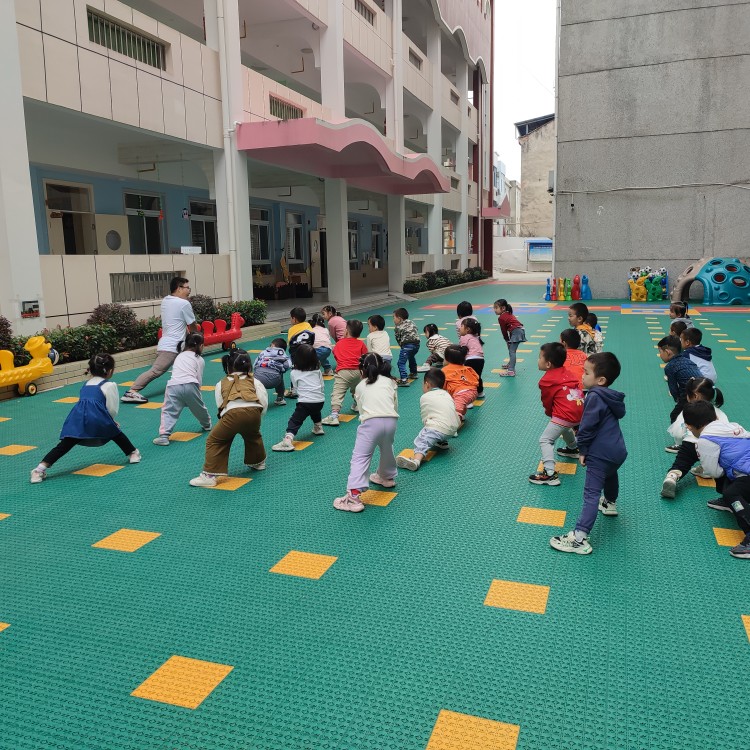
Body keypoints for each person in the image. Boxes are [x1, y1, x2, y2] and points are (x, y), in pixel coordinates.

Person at [550, 353, 627, 555]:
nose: (582, 376)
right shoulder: (610, 396)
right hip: (617, 450)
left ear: (600, 380)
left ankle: (579, 538)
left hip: (599, 453)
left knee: (591, 494)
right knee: (610, 474)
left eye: (586, 372)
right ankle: (610, 503)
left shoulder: (594, 396)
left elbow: (587, 426)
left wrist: (582, 449)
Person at [31, 354, 141, 482]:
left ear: (91, 370)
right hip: (98, 417)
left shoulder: (86, 384)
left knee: (66, 443)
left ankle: (39, 469)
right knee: (116, 434)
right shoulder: (109, 385)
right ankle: (133, 453)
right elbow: (112, 408)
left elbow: (84, 403)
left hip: (78, 418)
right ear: (110, 371)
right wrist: (110, 420)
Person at [190, 349, 267, 487]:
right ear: (249, 365)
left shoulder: (221, 383)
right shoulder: (254, 381)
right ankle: (258, 462)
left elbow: (220, 404)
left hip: (232, 414)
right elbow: (263, 399)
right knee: (253, 435)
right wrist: (258, 416)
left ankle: (209, 476)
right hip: (254, 412)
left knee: (215, 440)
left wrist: (226, 420)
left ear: (228, 365)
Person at [684, 400, 750, 559]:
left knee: (731, 492)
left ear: (689, 426)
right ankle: (730, 502)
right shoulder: (732, 425)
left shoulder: (706, 439)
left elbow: (712, 471)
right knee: (730, 471)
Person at [333, 353, 399, 512]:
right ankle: (387, 477)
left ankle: (353, 498)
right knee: (387, 448)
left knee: (361, 456)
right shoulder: (390, 382)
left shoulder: (361, 385)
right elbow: (394, 403)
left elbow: (362, 410)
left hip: (370, 421)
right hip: (391, 419)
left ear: (362, 369)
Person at [122, 277, 198, 403]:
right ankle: (132, 391)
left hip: (170, 343)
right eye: (187, 288)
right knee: (156, 371)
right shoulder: (184, 304)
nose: (189, 291)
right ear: (179, 288)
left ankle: (185, 385)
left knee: (187, 362)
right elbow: (192, 324)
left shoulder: (166, 301)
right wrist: (197, 336)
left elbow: (179, 322)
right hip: (172, 346)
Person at [529, 342, 584, 486]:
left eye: (540, 357)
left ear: (548, 364)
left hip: (564, 414)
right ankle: (573, 448)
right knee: (565, 427)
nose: (538, 360)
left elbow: (547, 401)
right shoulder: (569, 373)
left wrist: (550, 413)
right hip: (579, 410)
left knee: (545, 440)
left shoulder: (547, 381)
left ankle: (549, 474)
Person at [661, 378, 727, 498]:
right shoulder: (720, 413)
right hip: (712, 446)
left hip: (690, 444)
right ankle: (706, 469)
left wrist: (680, 442)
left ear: (695, 396)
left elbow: (678, 432)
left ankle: (672, 476)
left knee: (681, 463)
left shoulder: (688, 411)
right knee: (716, 460)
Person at [396, 368, 460, 471]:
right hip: (453, 429)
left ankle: (416, 461)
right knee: (441, 422)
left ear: (427, 384)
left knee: (423, 439)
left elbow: (425, 417)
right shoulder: (447, 394)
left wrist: (427, 427)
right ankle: (443, 442)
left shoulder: (425, 397)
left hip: (439, 428)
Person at [153, 332, 211, 445]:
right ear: (201, 346)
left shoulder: (179, 356)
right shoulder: (199, 359)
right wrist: (197, 391)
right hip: (191, 384)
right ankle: (207, 425)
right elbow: (198, 377)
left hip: (173, 385)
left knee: (168, 410)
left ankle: (164, 436)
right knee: (199, 407)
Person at [272, 344, 325, 452]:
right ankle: (318, 427)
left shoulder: (294, 373)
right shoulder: (317, 371)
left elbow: (295, 389)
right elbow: (322, 385)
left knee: (295, 421)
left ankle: (287, 440)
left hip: (305, 402)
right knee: (315, 411)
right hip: (320, 400)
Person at [321, 319, 369, 426]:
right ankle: (358, 405)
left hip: (343, 371)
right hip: (358, 371)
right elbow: (365, 357)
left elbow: (336, 355)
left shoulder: (339, 343)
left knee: (338, 393)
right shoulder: (361, 343)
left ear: (346, 331)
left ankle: (334, 416)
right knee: (356, 390)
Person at [658, 334, 703, 428]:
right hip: (704, 390)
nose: (659, 355)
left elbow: (673, 389)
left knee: (675, 415)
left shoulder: (670, 367)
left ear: (667, 352)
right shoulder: (688, 360)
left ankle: (681, 435)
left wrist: (678, 401)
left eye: (660, 352)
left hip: (690, 394)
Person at [441, 344, 479, 421]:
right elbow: (476, 378)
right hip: (474, 392)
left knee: (456, 407)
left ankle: (456, 420)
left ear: (447, 360)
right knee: (459, 403)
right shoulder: (468, 368)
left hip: (461, 394)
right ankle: (462, 414)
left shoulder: (445, 370)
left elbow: (443, 385)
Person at [253, 338, 291, 407]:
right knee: (280, 373)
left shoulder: (263, 352)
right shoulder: (283, 354)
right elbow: (288, 365)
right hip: (275, 380)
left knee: (253, 379)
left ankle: (254, 399)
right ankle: (280, 398)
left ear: (272, 345)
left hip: (258, 380)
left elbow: (254, 365)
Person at [493, 299, 526, 377]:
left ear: (503, 308)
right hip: (519, 330)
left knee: (512, 351)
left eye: (496, 308)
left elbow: (504, 331)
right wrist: (509, 341)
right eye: (494, 308)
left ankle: (511, 371)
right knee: (511, 349)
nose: (494, 310)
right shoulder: (508, 313)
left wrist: (507, 340)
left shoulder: (501, 317)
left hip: (516, 331)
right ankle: (510, 364)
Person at [459, 317, 485, 398]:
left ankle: (468, 396)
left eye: (461, 326)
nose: (459, 328)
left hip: (470, 360)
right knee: (477, 376)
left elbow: (463, 350)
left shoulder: (464, 337)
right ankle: (480, 392)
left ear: (467, 329)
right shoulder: (477, 337)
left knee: (467, 378)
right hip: (480, 359)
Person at [393, 307, 420, 386]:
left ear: (399, 318)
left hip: (407, 345)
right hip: (417, 345)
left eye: (394, 317)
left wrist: (402, 347)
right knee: (411, 357)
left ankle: (404, 380)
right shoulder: (412, 322)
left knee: (401, 362)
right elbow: (416, 330)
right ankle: (414, 373)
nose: (393, 320)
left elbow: (398, 338)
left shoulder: (398, 326)